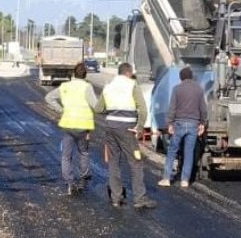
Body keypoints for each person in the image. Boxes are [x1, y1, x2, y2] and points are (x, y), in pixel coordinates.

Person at [98, 62, 157, 209]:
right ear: (129, 73)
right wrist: (140, 127)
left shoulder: (108, 87)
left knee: (113, 162)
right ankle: (139, 198)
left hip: (110, 128)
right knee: (135, 162)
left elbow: (98, 108)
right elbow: (143, 109)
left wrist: (113, 113)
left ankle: (116, 198)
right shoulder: (132, 85)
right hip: (127, 130)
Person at [44, 62, 100, 195]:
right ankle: (82, 180)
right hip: (83, 127)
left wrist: (61, 109)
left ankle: (69, 183)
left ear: (74, 74)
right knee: (83, 152)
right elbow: (95, 105)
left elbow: (48, 97)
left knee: (66, 155)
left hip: (68, 125)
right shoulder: (87, 87)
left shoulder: (65, 86)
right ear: (85, 75)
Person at [159, 66, 207, 188]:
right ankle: (185, 180)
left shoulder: (177, 89)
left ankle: (166, 178)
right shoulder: (199, 89)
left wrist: (169, 124)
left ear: (181, 78)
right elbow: (203, 109)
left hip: (179, 124)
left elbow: (172, 108)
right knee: (189, 152)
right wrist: (202, 124)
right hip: (193, 124)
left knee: (172, 151)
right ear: (191, 77)